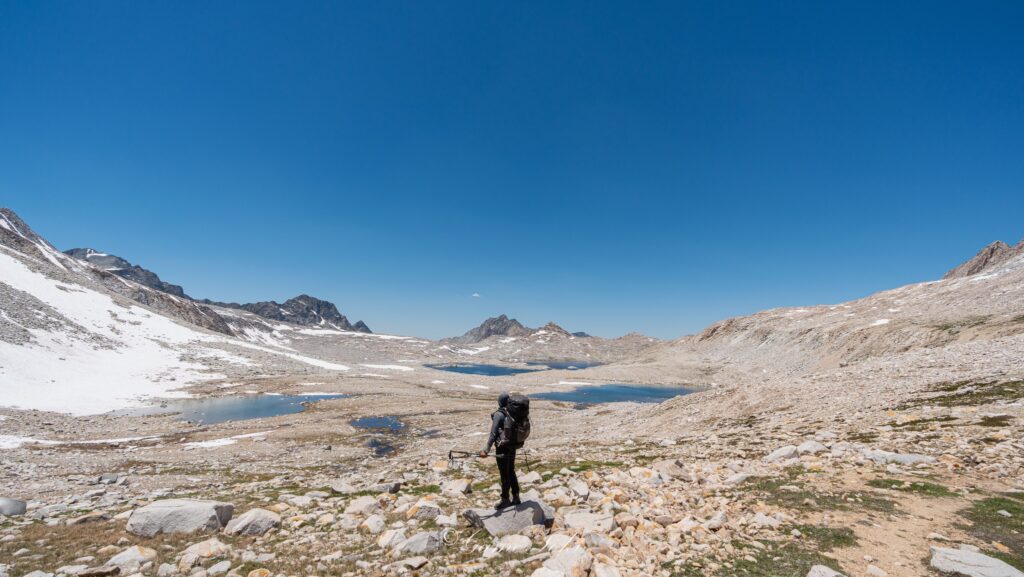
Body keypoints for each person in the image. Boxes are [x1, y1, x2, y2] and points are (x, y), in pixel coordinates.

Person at [479, 391, 520, 510]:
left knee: (504, 474)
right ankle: (516, 497)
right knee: (511, 470)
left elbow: (493, 434)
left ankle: (505, 499)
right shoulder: (512, 412)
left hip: (502, 448)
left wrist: (486, 450)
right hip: (512, 447)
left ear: (499, 402)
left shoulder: (499, 414)